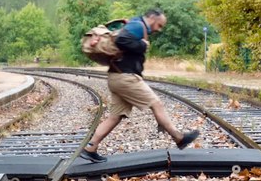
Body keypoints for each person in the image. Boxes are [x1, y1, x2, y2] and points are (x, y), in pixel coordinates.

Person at [80, 9, 200, 163]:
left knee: (115, 117)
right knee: (156, 104)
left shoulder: (134, 24)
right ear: (151, 18)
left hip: (116, 77)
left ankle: (90, 148)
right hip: (126, 77)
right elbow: (121, 40)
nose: (158, 29)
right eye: (159, 25)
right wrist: (142, 45)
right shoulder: (137, 26)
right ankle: (179, 138)